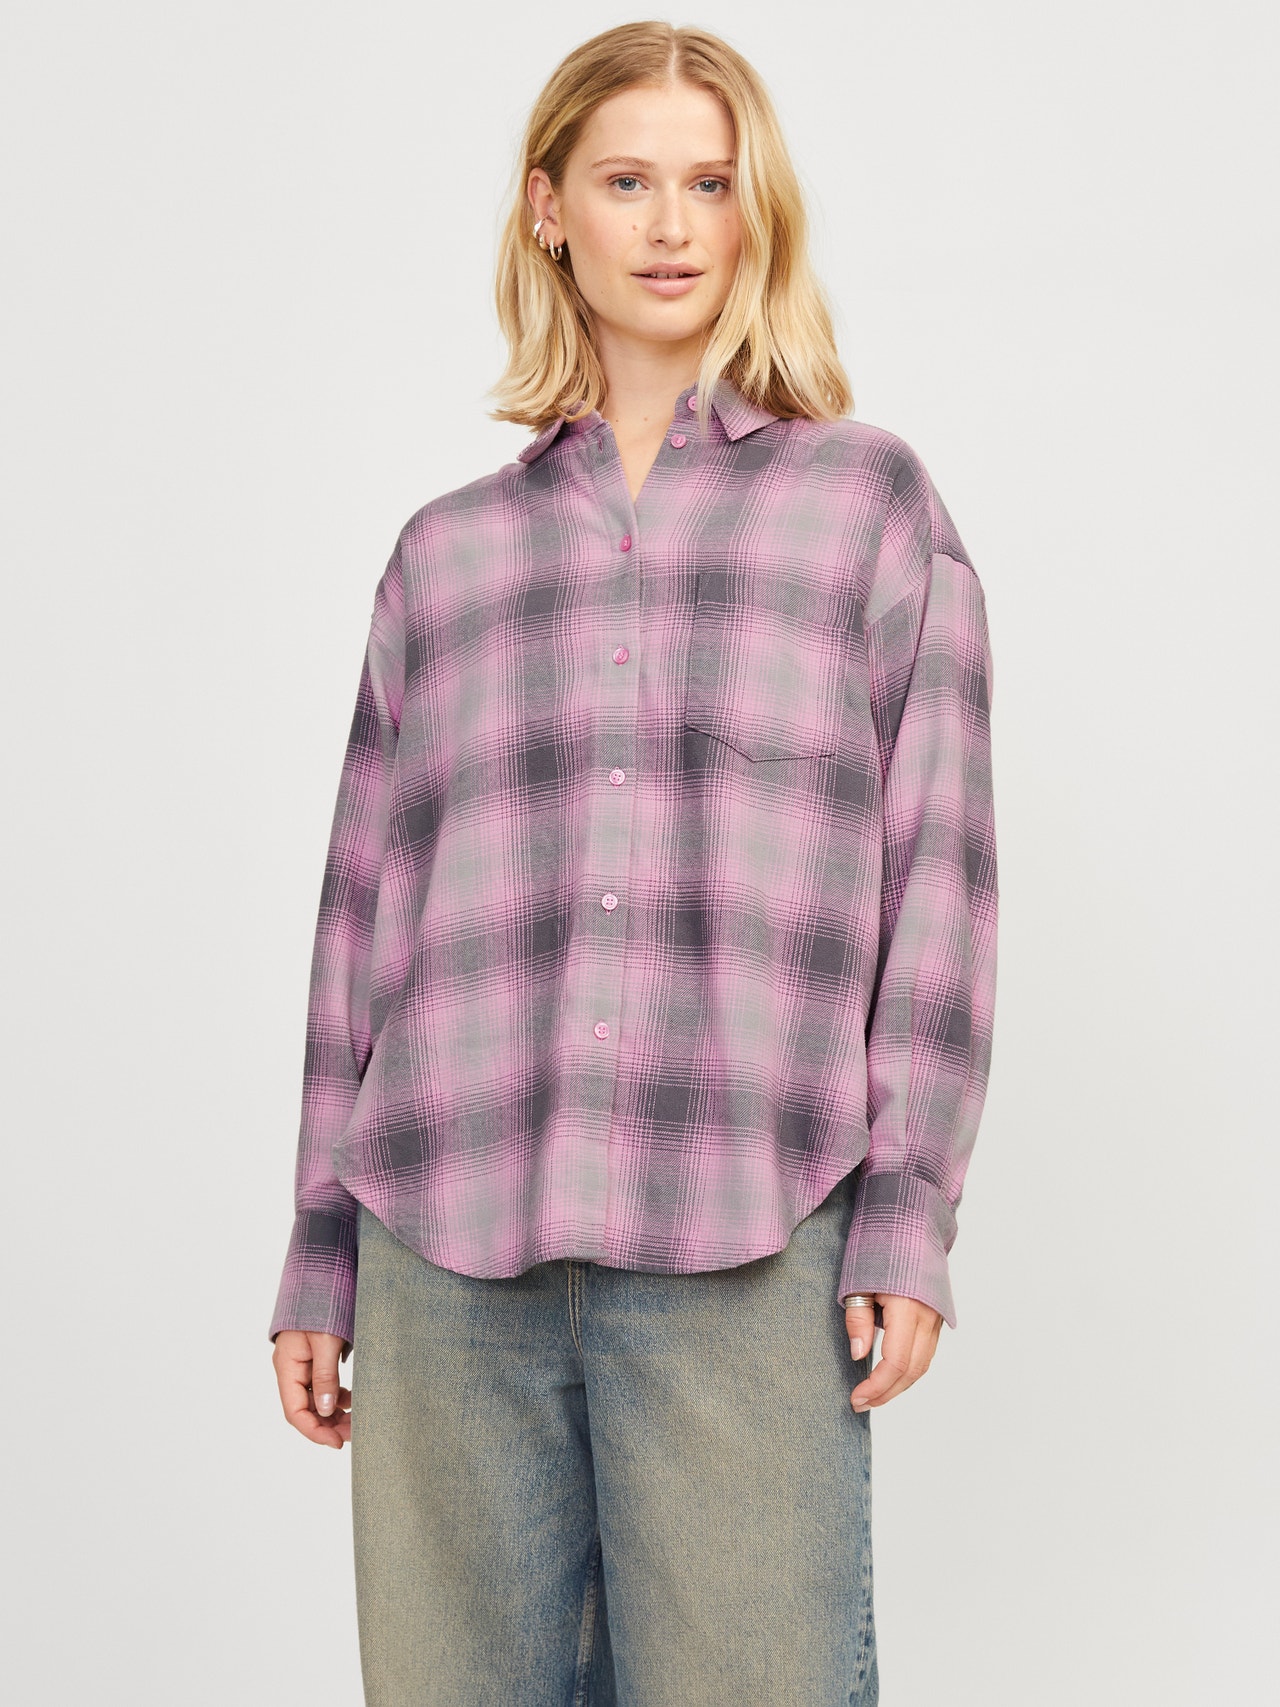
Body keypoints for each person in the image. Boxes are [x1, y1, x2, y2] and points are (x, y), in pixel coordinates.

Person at [268, 20, 998, 1707]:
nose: (673, 225)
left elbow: (941, 877)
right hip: (446, 1253)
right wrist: (319, 1243)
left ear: (757, 214)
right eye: (627, 182)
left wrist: (907, 1208)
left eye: (712, 184)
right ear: (550, 210)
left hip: (745, 1239)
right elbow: (360, 923)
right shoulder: (445, 560)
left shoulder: (867, 511)